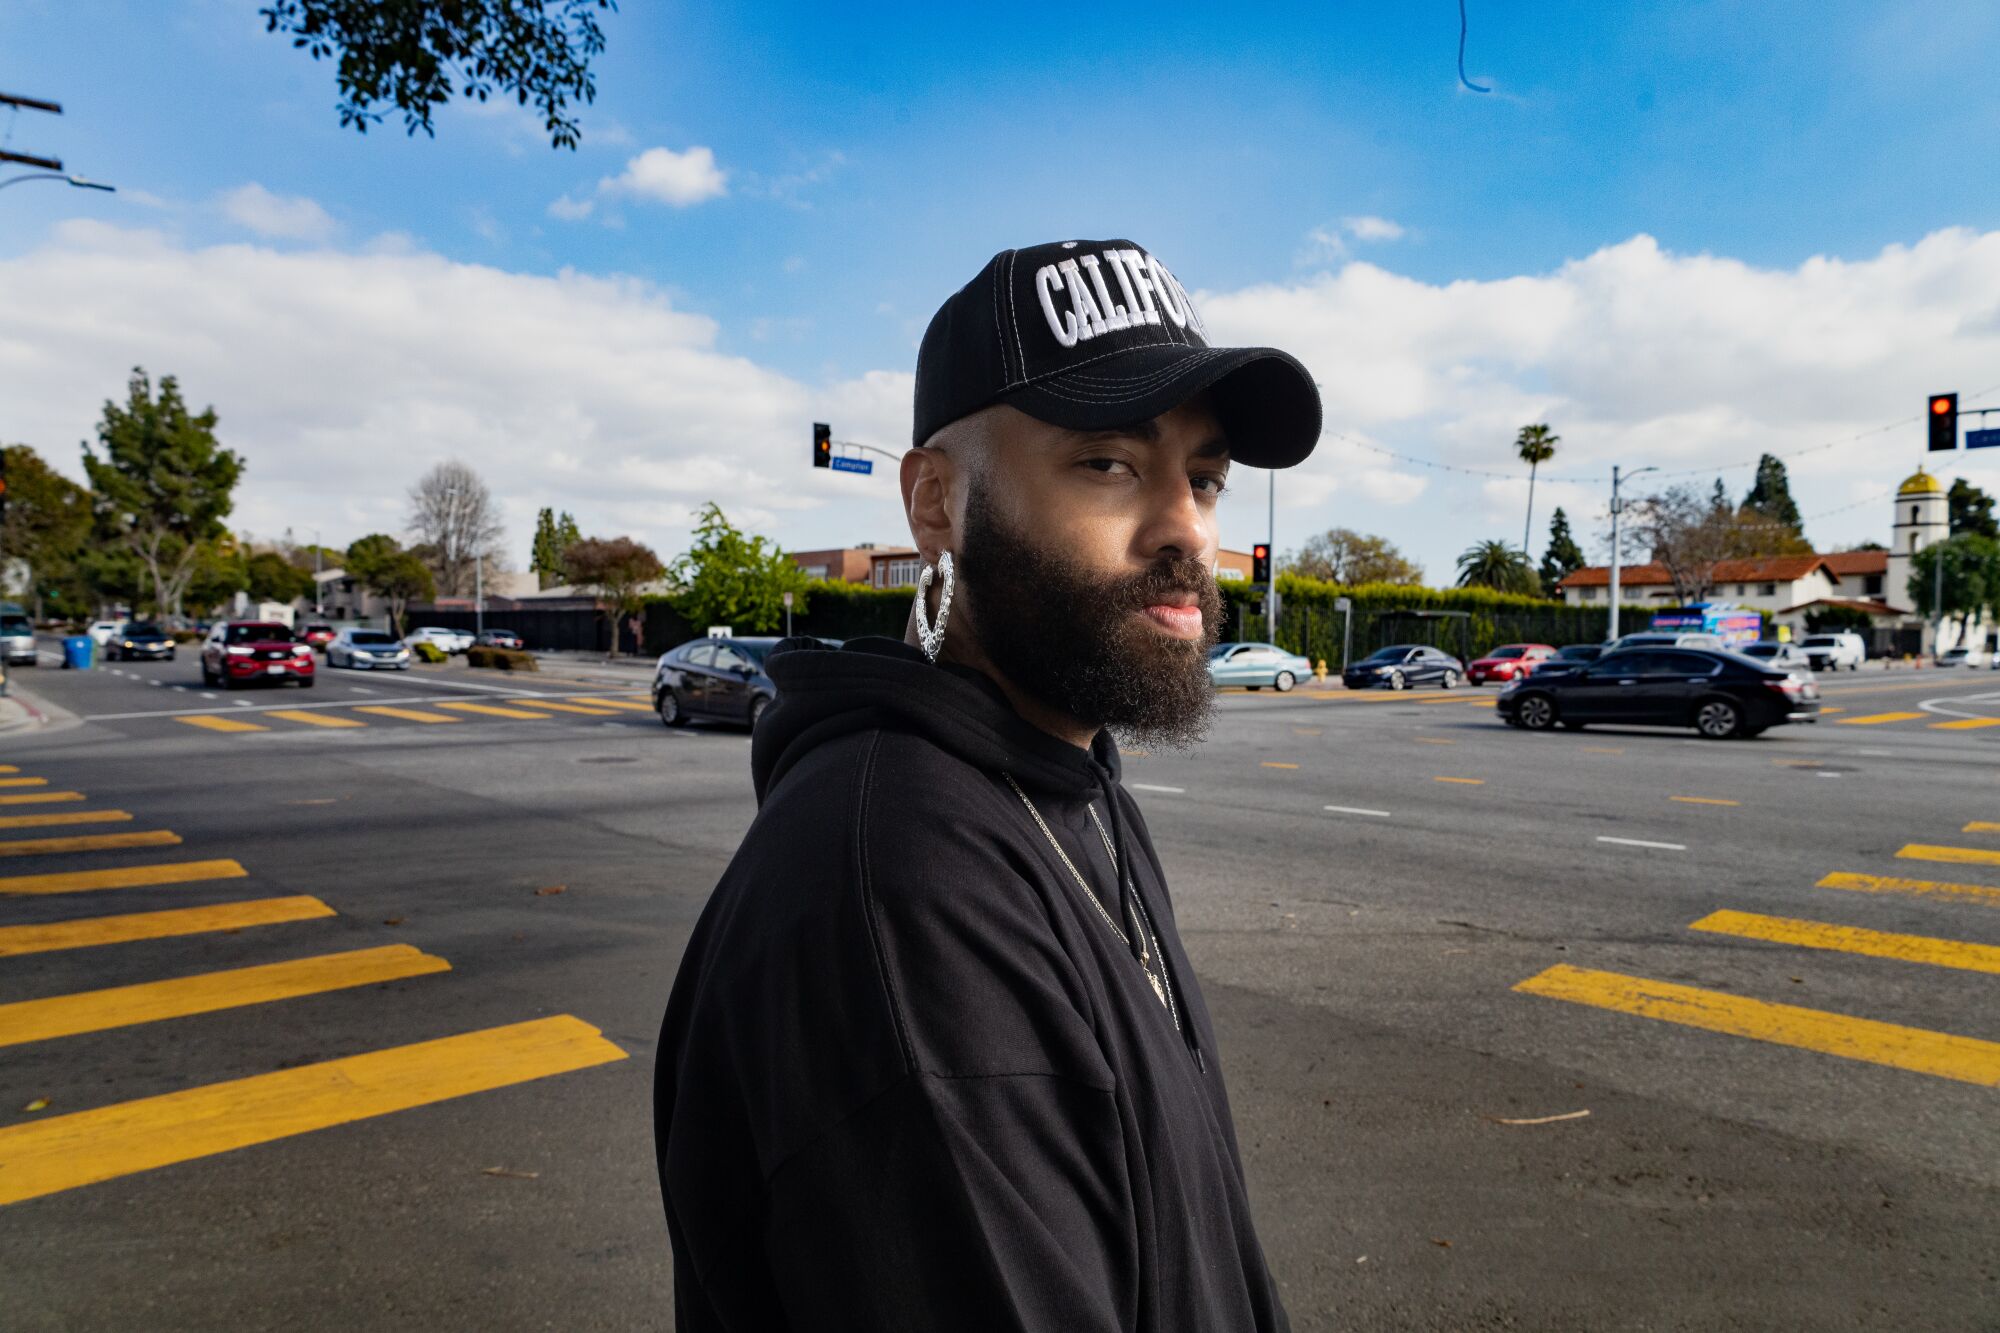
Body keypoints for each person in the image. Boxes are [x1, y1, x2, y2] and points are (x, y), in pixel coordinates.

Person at [655, 238, 1322, 1330]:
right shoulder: (904, 892)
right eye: (1107, 462)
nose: (1186, 531)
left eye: (1201, 478)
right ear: (934, 504)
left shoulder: (1072, 783)